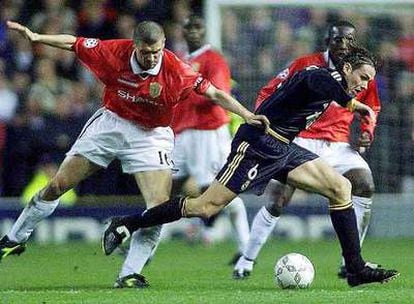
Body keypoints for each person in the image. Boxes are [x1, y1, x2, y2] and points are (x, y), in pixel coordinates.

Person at [0, 20, 268, 289]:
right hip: (112, 124)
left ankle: (129, 273)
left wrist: (245, 114)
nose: (151, 57)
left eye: (157, 52)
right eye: (145, 52)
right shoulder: (114, 52)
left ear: (163, 45)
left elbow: (214, 93)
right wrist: (36, 36)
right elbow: (74, 42)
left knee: (159, 208)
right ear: (135, 46)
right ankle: (15, 238)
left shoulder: (177, 69)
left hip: (151, 136)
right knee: (59, 184)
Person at [103, 47, 399, 287]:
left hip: (283, 147)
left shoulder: (331, 81)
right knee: (206, 207)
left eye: (368, 81)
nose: (364, 85)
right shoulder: (320, 76)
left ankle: (355, 268)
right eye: (362, 77)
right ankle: (128, 222)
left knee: (341, 187)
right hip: (257, 144)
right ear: (347, 69)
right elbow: (314, 83)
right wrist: (352, 105)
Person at [233, 21, 381, 280]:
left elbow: (371, 109)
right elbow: (269, 91)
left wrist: (367, 131)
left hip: (338, 144)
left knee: (364, 183)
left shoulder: (362, 72)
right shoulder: (306, 64)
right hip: (300, 139)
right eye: (338, 40)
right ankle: (247, 259)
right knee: (279, 198)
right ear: (327, 41)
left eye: (349, 40)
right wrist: (268, 125)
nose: (343, 45)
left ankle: (351, 262)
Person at [171, 15, 249, 261]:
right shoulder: (181, 59)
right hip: (181, 133)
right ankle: (145, 248)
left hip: (208, 132)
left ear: (204, 31)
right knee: (164, 188)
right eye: (189, 27)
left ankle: (247, 248)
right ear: (182, 31)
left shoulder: (213, 58)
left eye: (198, 27)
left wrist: (183, 94)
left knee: (215, 192)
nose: (193, 31)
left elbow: (217, 94)